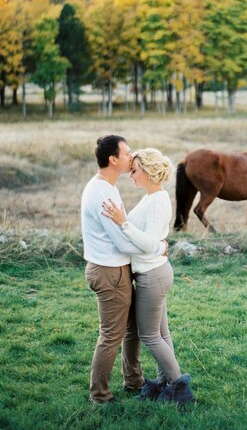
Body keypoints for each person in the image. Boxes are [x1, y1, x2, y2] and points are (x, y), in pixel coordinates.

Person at [102, 147, 195, 405]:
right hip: (154, 272)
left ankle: (179, 388)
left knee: (150, 336)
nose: (130, 175)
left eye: (134, 170)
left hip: (152, 275)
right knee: (162, 335)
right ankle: (163, 384)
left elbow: (148, 243)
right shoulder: (151, 196)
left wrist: (123, 222)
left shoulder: (157, 200)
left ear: (147, 171)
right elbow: (151, 241)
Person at [81, 135, 168, 404]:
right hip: (110, 272)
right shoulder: (102, 194)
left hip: (116, 270)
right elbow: (121, 241)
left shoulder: (106, 187)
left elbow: (123, 233)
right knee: (110, 335)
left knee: (132, 330)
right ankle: (100, 395)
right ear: (113, 159)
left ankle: (134, 381)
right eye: (128, 153)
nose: (132, 157)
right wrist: (158, 248)